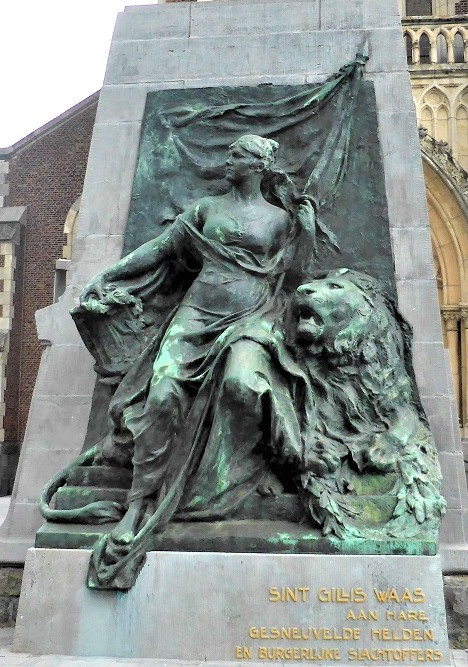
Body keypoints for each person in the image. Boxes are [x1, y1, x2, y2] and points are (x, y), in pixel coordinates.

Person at [75, 135, 316, 587]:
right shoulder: (207, 209)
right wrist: (109, 274)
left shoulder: (280, 220)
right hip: (198, 313)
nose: (229, 160)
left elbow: (295, 275)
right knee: (162, 393)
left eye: (238, 155)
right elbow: (163, 248)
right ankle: (139, 504)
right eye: (229, 153)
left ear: (260, 164)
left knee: (244, 385)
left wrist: (306, 232)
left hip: (253, 316)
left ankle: (265, 475)